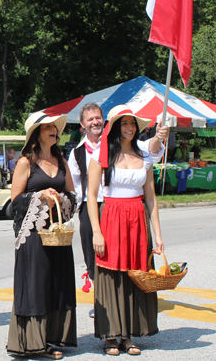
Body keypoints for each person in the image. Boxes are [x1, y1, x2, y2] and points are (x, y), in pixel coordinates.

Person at [68, 102, 168, 318]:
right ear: (83, 124)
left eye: (98, 118)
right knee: (100, 263)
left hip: (133, 211)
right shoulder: (79, 153)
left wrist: (159, 137)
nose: (95, 122)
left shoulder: (140, 151)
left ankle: (131, 325)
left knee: (136, 265)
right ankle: (107, 315)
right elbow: (77, 188)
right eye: (90, 119)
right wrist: (83, 218)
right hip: (99, 210)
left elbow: (152, 149)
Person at [87, 105, 165, 356]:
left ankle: (128, 335)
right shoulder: (102, 153)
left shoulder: (144, 155)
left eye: (132, 123)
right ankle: (110, 335)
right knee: (111, 276)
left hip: (137, 217)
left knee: (135, 274)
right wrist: (96, 232)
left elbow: (151, 198)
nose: (130, 128)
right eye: (124, 123)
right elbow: (90, 196)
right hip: (111, 216)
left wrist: (159, 235)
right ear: (116, 127)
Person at [6, 111, 78, 360]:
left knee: (58, 283)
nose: (53, 131)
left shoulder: (62, 160)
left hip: (58, 233)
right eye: (47, 127)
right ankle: (34, 342)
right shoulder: (26, 162)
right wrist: (40, 197)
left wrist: (61, 198)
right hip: (33, 235)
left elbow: (73, 196)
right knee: (37, 284)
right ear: (36, 133)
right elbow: (14, 203)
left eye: (55, 127)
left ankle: (54, 337)